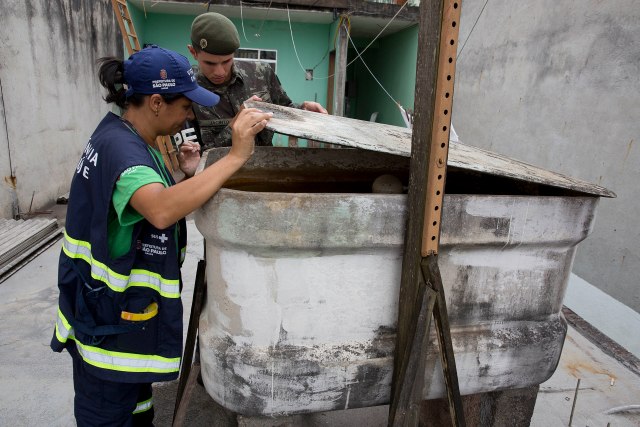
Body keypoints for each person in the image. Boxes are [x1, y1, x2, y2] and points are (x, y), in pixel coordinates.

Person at [50, 45, 271, 426]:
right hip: (107, 328)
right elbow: (160, 208)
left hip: (116, 319)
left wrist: (189, 175)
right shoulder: (125, 152)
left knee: (137, 411)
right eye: (185, 106)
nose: (190, 115)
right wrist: (236, 156)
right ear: (155, 102)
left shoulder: (123, 136)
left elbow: (148, 203)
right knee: (108, 415)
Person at [186, 12, 328, 150]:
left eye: (226, 61)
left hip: (266, 167)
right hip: (221, 172)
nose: (220, 72)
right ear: (193, 52)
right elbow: (196, 157)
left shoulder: (261, 73)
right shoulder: (187, 90)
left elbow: (284, 110)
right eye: (210, 63)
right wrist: (235, 125)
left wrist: (303, 110)